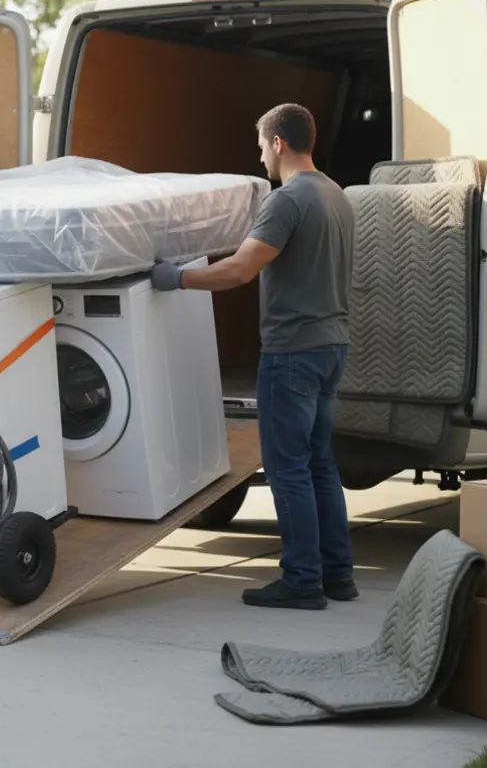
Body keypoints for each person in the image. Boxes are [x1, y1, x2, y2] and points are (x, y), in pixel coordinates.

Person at [147, 103, 357, 610]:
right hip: (332, 347)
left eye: (261, 145)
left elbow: (241, 269)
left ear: (278, 143)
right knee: (320, 465)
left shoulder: (288, 201)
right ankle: (337, 575)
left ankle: (302, 580)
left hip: (293, 354)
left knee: (287, 469)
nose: (259, 154)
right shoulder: (337, 195)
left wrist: (177, 278)